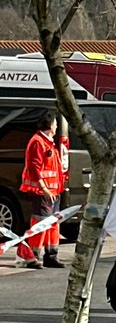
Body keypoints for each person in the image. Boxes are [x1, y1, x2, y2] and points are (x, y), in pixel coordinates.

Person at [16, 108, 66, 269]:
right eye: (56, 124)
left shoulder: (47, 142)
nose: (57, 127)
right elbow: (34, 168)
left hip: (53, 191)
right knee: (40, 223)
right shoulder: (38, 142)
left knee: (53, 224)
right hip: (43, 192)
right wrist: (45, 189)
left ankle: (51, 255)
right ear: (50, 125)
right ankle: (32, 256)